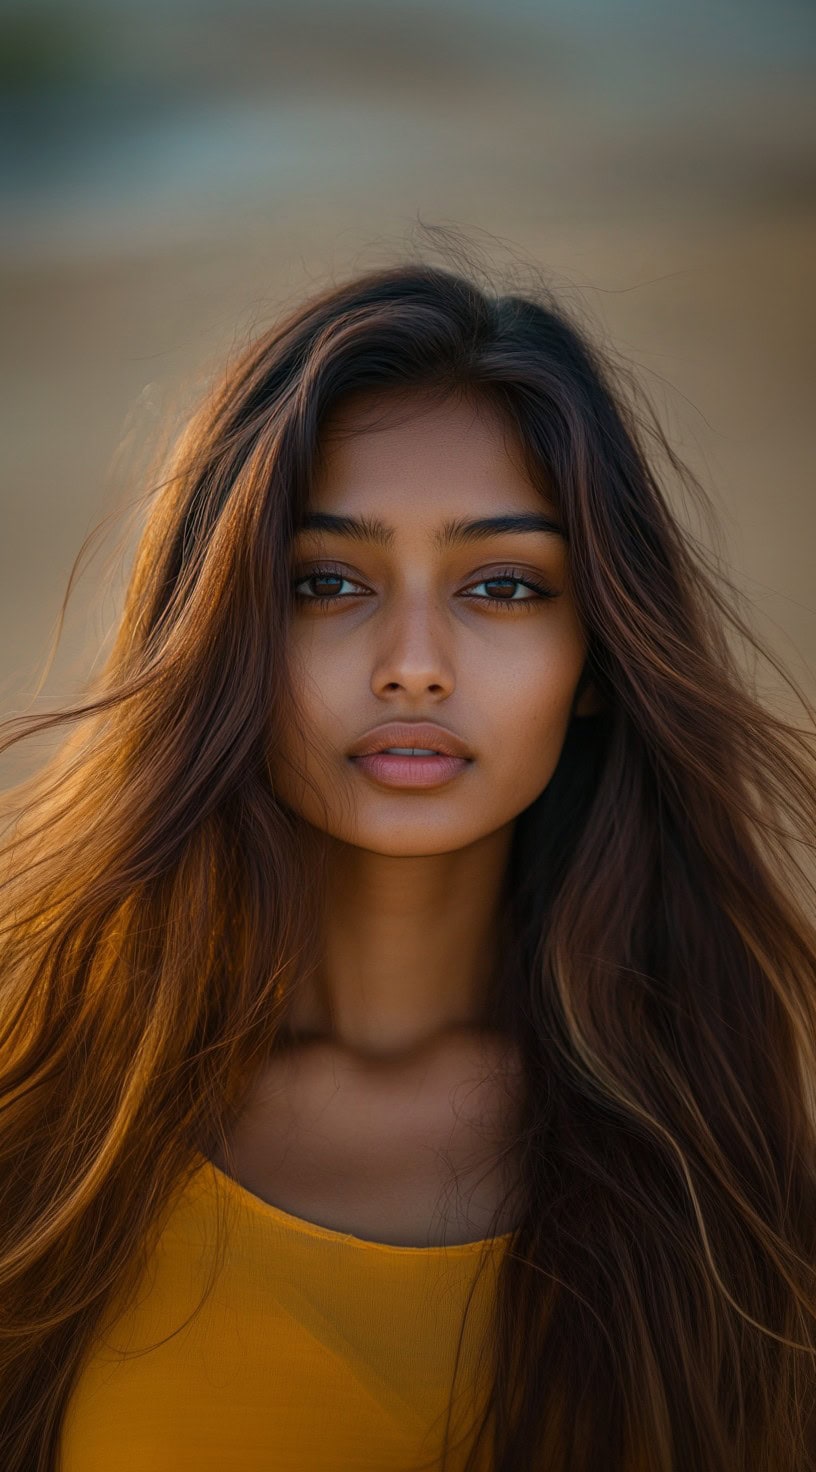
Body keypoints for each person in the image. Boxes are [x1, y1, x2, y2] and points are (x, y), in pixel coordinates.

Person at [1, 256, 815, 1472]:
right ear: (230, 631)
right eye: (327, 581)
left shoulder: (722, 1167)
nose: (415, 664)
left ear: (597, 659)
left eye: (503, 584)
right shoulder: (55, 1117)